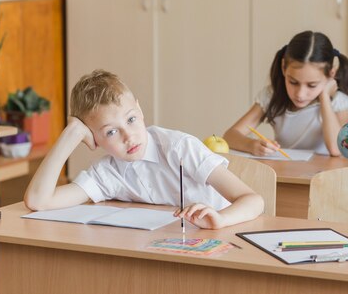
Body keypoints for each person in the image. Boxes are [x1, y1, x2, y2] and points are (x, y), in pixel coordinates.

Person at [24, 70, 263, 230]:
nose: (129, 137)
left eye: (130, 120)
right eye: (110, 132)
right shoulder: (107, 174)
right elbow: (38, 200)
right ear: (93, 138)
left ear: (139, 109)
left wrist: (221, 220)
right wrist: (72, 133)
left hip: (217, 241)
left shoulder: (180, 148)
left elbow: (252, 200)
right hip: (163, 250)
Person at [224, 31, 348, 156]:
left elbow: (336, 149)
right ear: (283, 68)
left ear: (331, 74)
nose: (300, 94)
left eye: (312, 85)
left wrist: (324, 97)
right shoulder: (271, 96)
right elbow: (230, 136)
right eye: (293, 82)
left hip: (323, 177)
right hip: (285, 175)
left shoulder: (339, 103)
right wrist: (251, 145)